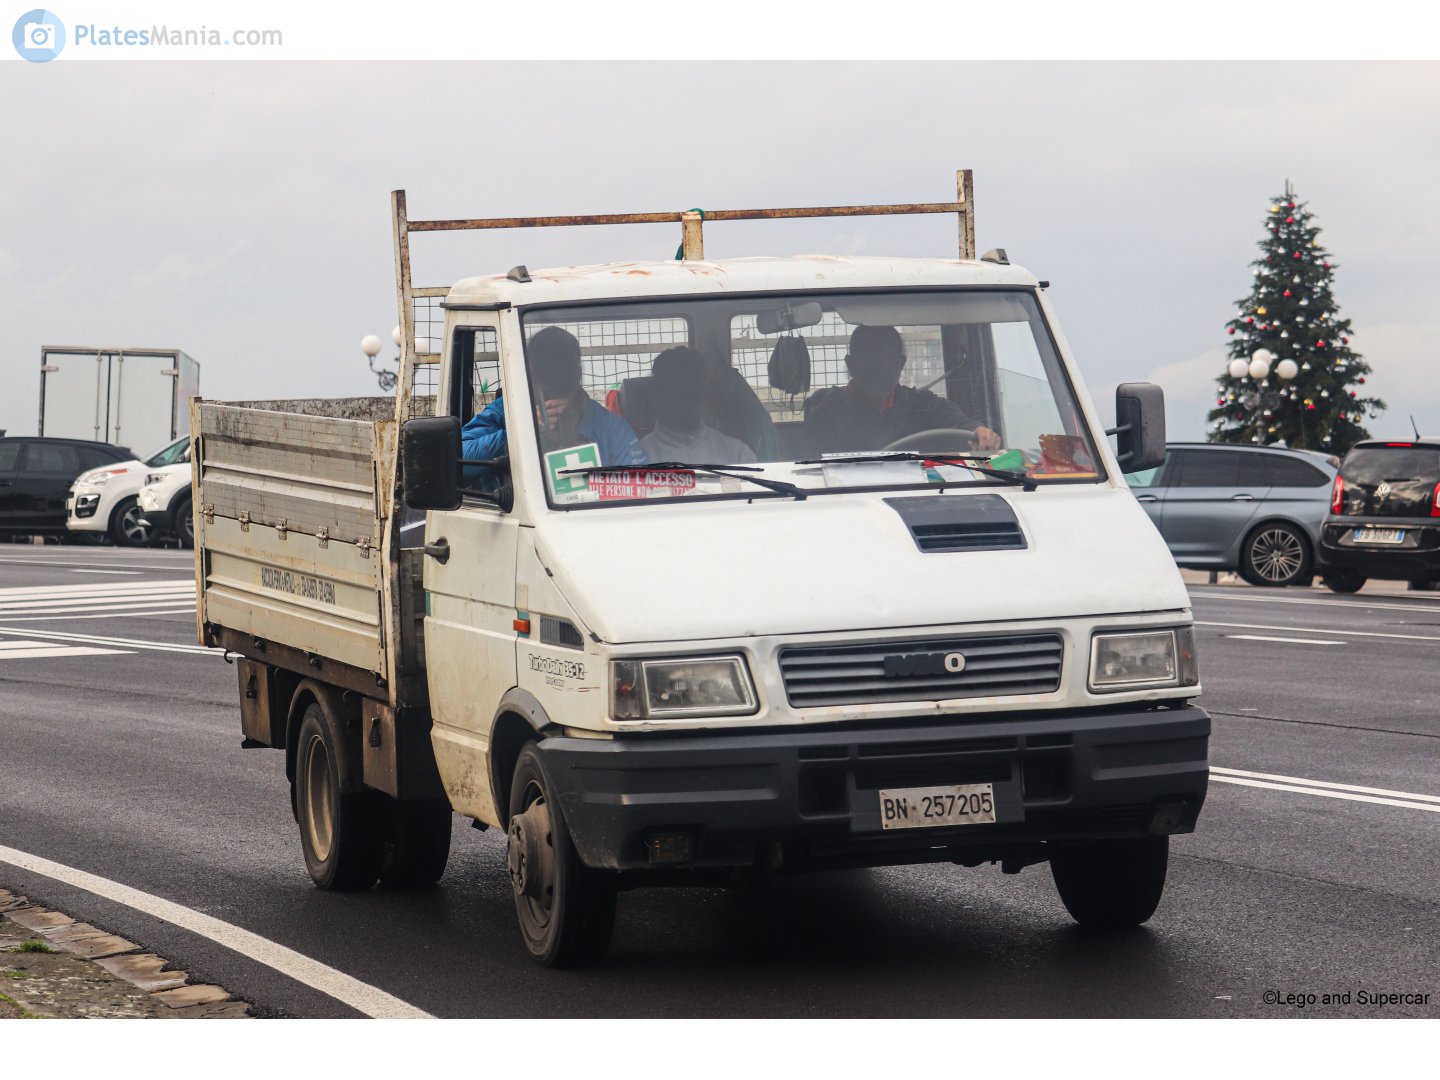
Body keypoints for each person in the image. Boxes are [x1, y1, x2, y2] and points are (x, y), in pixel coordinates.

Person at [462, 326, 644, 485]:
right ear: (530, 374)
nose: (554, 382)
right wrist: (522, 432)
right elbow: (459, 462)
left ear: (577, 373)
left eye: (562, 372)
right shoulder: (506, 410)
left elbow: (639, 482)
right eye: (546, 373)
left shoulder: (608, 426)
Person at [803, 325, 1002, 454]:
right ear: (851, 365)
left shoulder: (923, 405)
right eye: (871, 363)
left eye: (888, 363)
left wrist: (978, 431)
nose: (880, 371)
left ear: (901, 364)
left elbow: (959, 423)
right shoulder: (827, 411)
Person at [639, 346, 757, 464]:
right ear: (657, 394)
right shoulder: (637, 458)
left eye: (692, 392)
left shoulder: (737, 455)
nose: (684, 400)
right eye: (676, 391)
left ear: (704, 395)